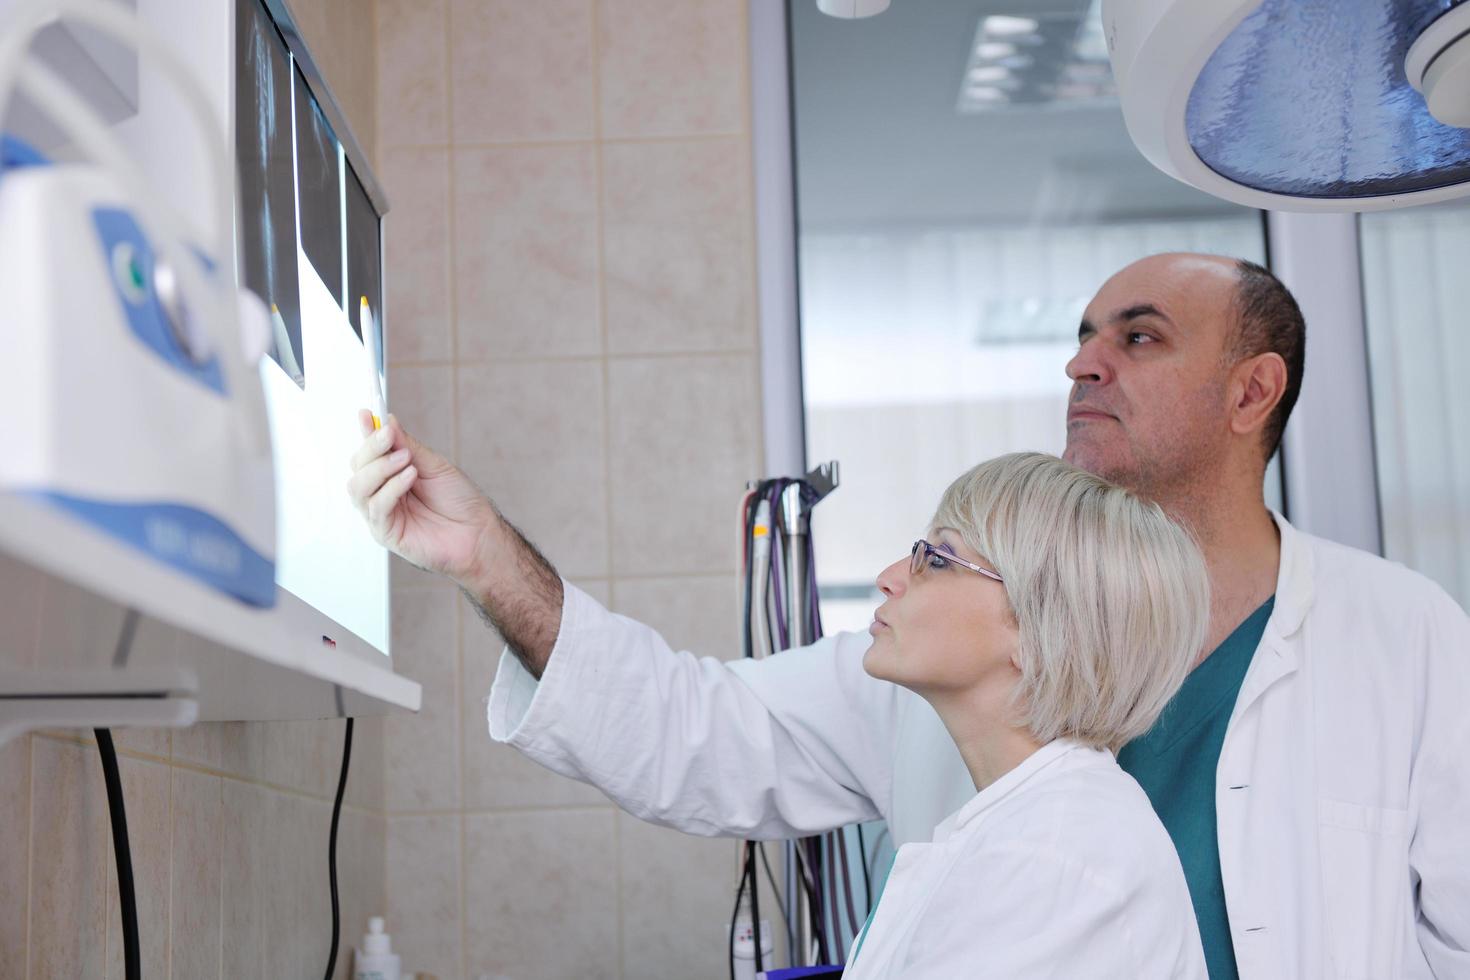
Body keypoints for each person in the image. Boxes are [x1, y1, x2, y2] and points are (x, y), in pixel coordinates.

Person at [346, 253, 1470, 979]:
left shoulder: (1407, 635)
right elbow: (693, 723)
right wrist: (491, 560)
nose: (1083, 361)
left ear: (1251, 393)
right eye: (1083, 333)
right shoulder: (948, 665)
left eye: (1138, 335)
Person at [841, 452, 1209, 977]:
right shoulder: (1031, 828)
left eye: (939, 558)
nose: (889, 577)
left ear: (1039, 629)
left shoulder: (1053, 853)